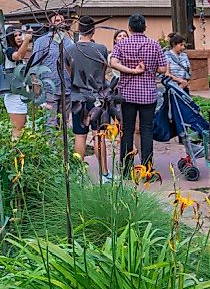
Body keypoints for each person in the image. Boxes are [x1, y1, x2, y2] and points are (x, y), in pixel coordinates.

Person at [110, 14, 168, 175]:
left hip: (127, 94)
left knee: (127, 131)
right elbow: (163, 69)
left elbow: (113, 62)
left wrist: (130, 71)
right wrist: (148, 68)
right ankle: (147, 170)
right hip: (148, 94)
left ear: (129, 28)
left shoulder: (122, 44)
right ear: (145, 28)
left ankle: (126, 170)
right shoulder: (154, 45)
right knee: (146, 130)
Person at [66, 16, 111, 180]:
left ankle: (79, 174)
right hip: (97, 97)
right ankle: (104, 173)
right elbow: (103, 69)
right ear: (93, 30)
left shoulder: (70, 49)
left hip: (78, 97)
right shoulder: (101, 48)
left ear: (79, 29)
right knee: (99, 135)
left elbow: (68, 70)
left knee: (80, 135)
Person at [30, 14, 74, 126]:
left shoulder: (69, 43)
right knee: (50, 123)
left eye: (62, 21)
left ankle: (63, 144)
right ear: (50, 24)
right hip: (49, 89)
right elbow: (34, 65)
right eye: (56, 20)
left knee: (64, 123)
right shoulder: (42, 42)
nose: (59, 23)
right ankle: (50, 144)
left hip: (66, 89)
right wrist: (36, 85)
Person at [0, 27, 34, 139]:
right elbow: (18, 56)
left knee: (20, 128)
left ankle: (17, 154)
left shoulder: (16, 50)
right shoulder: (9, 51)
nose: (18, 37)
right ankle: (16, 154)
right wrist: (27, 40)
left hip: (19, 94)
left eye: (20, 35)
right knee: (18, 130)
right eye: (15, 36)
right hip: (14, 95)